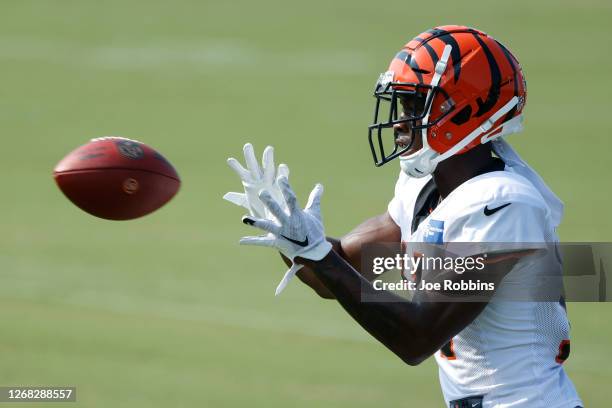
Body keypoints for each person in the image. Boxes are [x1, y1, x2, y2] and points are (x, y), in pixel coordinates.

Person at [224, 25, 583, 408]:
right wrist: (290, 235)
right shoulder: (426, 186)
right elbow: (339, 274)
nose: (398, 120)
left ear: (467, 110)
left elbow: (417, 336)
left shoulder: (503, 204)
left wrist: (317, 255)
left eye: (415, 106)